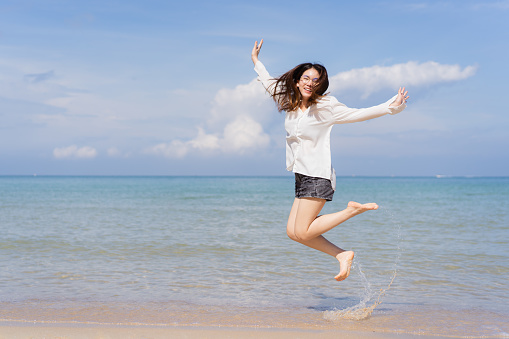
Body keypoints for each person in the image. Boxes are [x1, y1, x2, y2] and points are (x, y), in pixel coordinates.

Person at [251, 39, 408, 282]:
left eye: (316, 81)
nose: (310, 84)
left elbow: (358, 114)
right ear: (297, 80)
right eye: (306, 78)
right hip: (302, 174)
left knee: (302, 231)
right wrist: (256, 62)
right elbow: (270, 83)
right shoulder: (291, 104)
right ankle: (342, 254)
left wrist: (391, 106)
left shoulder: (326, 106)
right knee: (293, 233)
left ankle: (351, 211)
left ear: (320, 85)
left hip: (318, 174)